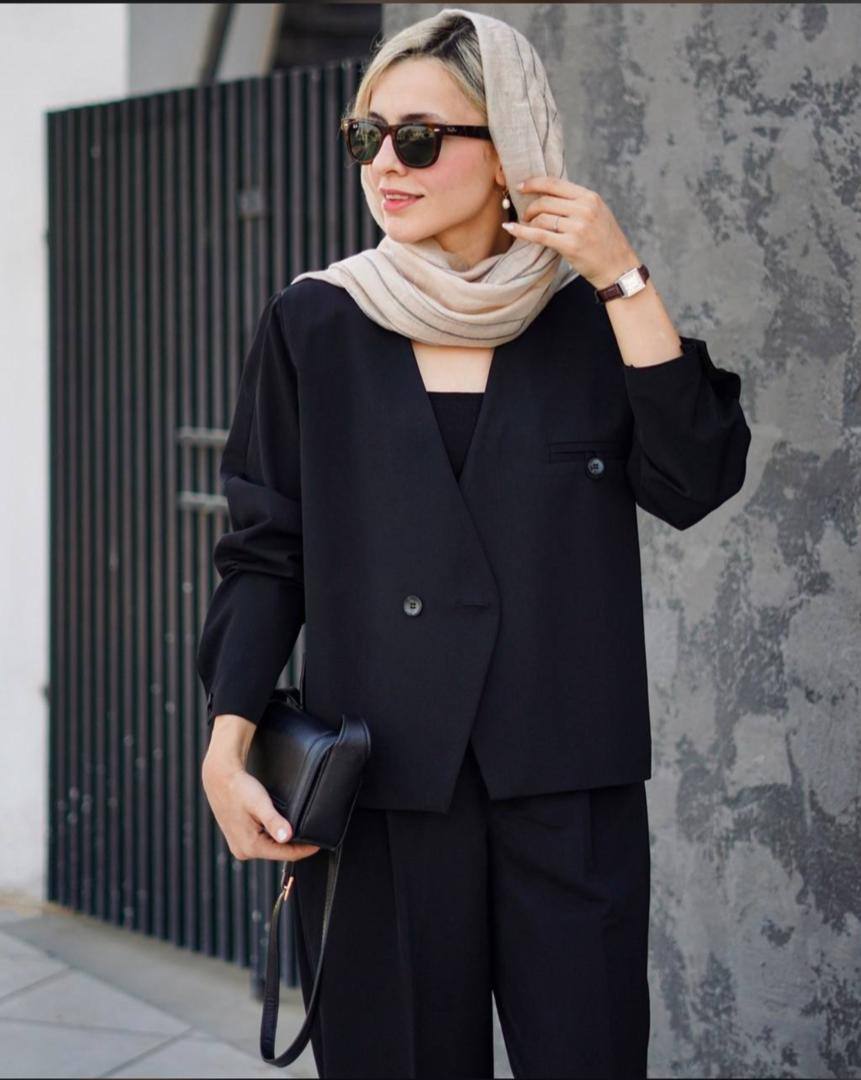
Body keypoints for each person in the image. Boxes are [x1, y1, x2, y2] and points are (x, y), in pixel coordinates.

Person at [197, 8, 751, 1079]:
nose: (384, 165)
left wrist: (623, 276)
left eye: (418, 138)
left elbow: (695, 481)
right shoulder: (316, 322)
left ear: (511, 153)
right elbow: (265, 550)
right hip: (381, 786)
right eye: (366, 136)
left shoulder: (590, 320)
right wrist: (227, 746)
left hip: (568, 787)